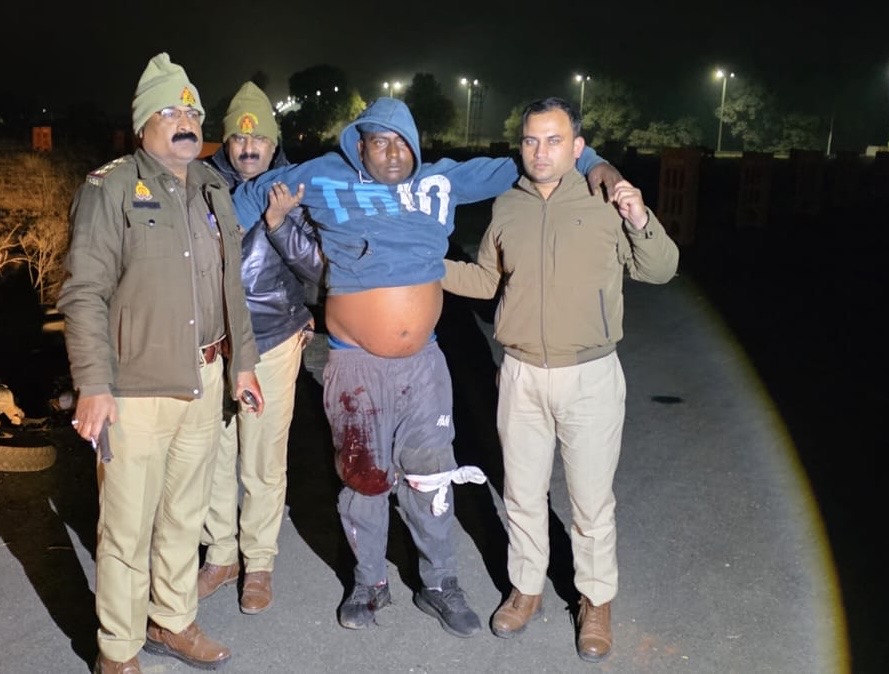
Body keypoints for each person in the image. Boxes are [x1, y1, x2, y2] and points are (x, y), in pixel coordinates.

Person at [230, 96, 624, 638]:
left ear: (415, 146)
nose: (392, 153)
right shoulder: (322, 176)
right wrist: (213, 229)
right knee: (363, 479)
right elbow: (250, 194)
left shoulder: (442, 180)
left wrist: (596, 161)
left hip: (424, 364)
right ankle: (368, 582)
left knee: (431, 476)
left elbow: (535, 159)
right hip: (355, 366)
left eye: (402, 143)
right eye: (379, 142)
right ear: (359, 148)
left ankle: (438, 583)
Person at [441, 97, 679, 662]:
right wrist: (424, 268)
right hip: (521, 373)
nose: (540, 152)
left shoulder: (604, 200)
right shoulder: (508, 206)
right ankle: (525, 589)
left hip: (590, 375)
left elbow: (661, 268)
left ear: (578, 147)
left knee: (591, 503)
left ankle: (595, 601)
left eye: (553, 140)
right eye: (530, 140)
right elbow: (486, 280)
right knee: (522, 494)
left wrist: (640, 219)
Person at [58, 53, 263, 674]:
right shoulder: (111, 188)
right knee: (126, 527)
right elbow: (83, 293)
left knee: (184, 513)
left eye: (193, 112)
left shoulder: (212, 188)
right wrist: (93, 384)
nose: (185, 122)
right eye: (170, 112)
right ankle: (118, 652)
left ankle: (172, 620)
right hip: (135, 389)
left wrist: (243, 363)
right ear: (144, 123)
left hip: (204, 377)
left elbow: (231, 287)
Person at [197, 81, 323, 614]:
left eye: (259, 140)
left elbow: (318, 269)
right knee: (213, 455)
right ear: (225, 141)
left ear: (274, 143)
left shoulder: (295, 188)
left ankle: (260, 562)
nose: (248, 149)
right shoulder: (200, 184)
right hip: (214, 341)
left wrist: (279, 224)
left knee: (263, 459)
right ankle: (221, 555)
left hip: (272, 339)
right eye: (238, 139)